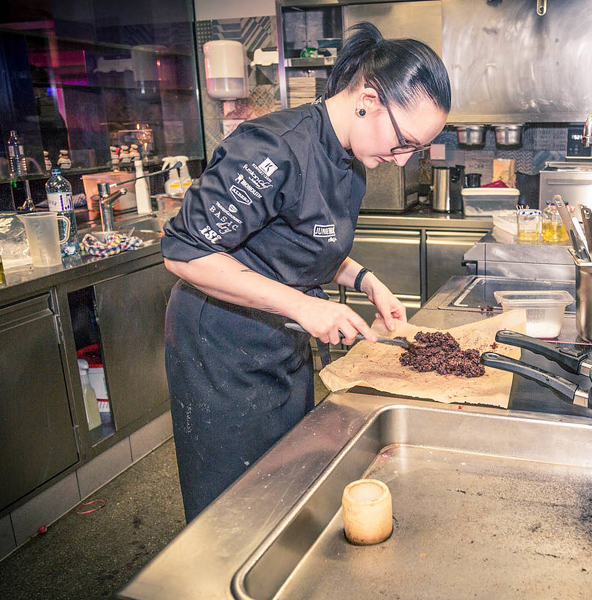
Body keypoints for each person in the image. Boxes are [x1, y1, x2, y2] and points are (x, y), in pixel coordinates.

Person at [161, 22, 451, 521]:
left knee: (283, 483)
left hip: (281, 337)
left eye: (416, 150)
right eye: (404, 142)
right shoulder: (272, 149)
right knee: (231, 505)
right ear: (368, 99)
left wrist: (367, 281)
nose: (403, 161)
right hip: (222, 347)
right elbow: (184, 251)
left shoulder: (352, 161)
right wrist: (301, 304)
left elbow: (307, 242)